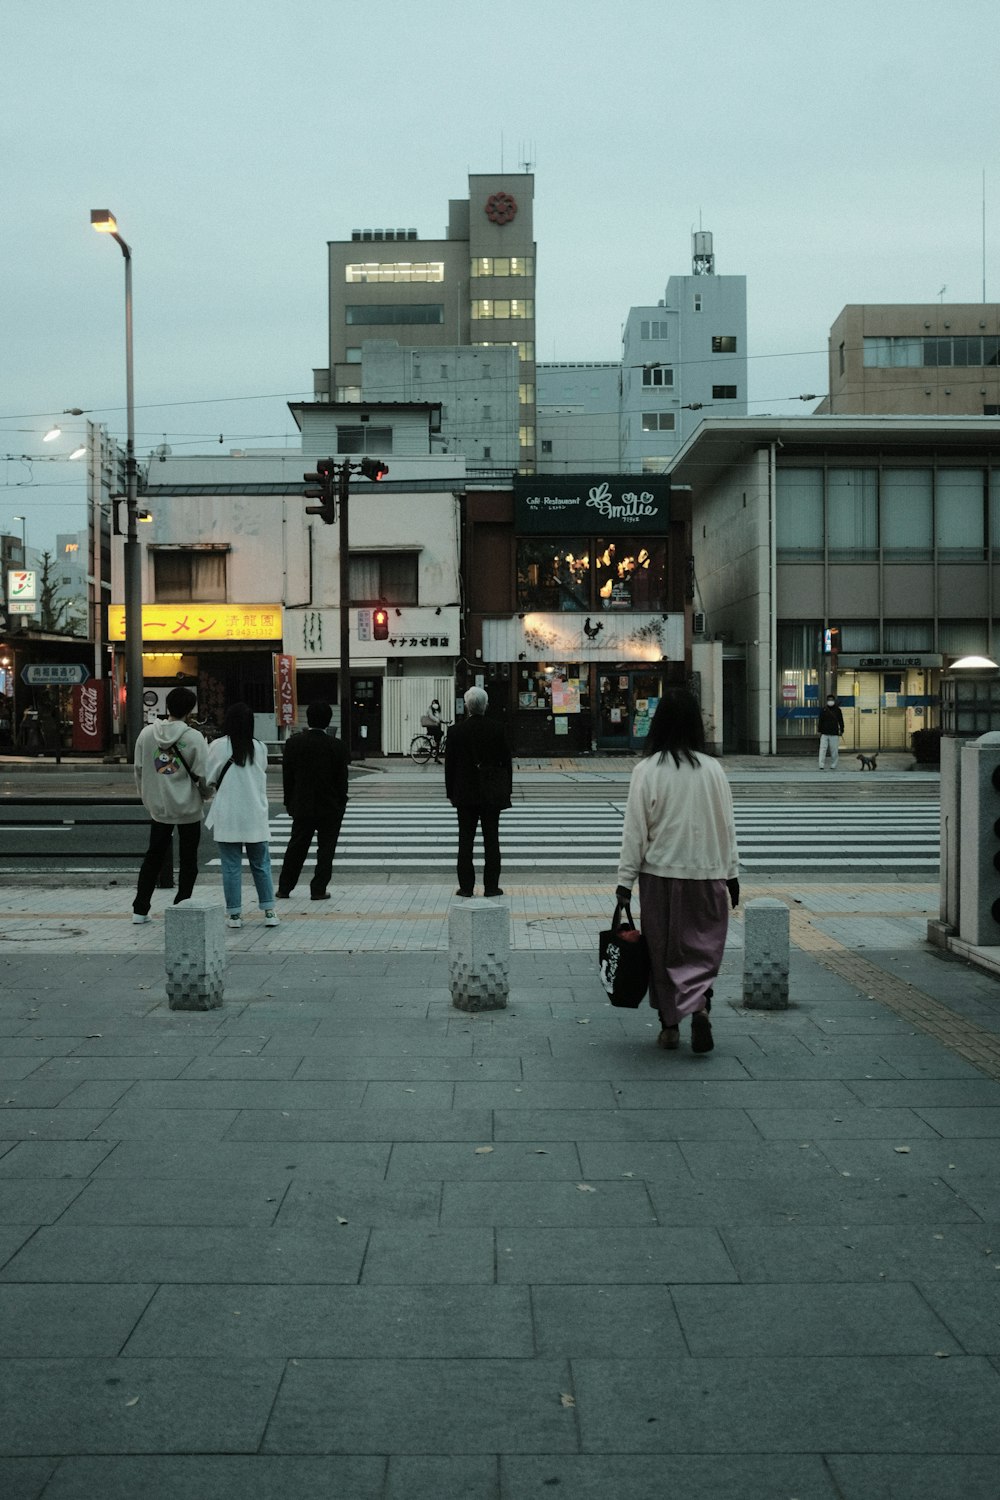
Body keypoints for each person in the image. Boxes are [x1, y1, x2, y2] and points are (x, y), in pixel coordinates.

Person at [615, 688, 740, 1055]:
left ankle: (670, 1027)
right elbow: (727, 826)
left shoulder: (647, 770)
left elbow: (634, 831)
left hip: (661, 876)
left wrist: (625, 881)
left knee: (664, 953)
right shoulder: (714, 770)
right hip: (708, 874)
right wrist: (731, 873)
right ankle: (700, 1006)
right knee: (702, 949)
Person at [131, 685, 209, 924]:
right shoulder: (194, 737)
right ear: (190, 710)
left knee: (153, 858)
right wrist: (205, 794)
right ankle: (182, 904)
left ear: (167, 707)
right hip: (188, 809)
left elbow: (139, 770)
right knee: (188, 860)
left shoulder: (146, 735)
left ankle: (140, 909)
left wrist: (148, 797)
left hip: (159, 808)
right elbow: (203, 776)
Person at [204, 702, 278, 930]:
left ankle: (234, 915)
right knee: (261, 864)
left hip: (228, 814)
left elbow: (210, 778)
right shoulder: (260, 747)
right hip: (255, 813)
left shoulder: (218, 746)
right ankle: (269, 912)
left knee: (231, 866)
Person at [276, 701, 350, 901]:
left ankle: (285, 887)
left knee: (297, 846)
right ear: (328, 721)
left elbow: (288, 777)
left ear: (308, 719)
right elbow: (342, 780)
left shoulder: (294, 743)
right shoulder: (337, 746)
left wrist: (289, 802)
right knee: (326, 850)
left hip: (302, 804)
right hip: (330, 806)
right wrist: (342, 802)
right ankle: (318, 889)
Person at [444, 685, 513, 898]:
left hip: (464, 794)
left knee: (465, 841)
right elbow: (506, 764)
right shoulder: (498, 728)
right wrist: (506, 791)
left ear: (467, 707)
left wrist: (451, 793)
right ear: (486, 706)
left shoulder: (456, 731)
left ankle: (466, 887)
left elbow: (450, 766)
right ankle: (491, 887)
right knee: (492, 840)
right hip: (491, 793)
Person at [817, 693, 845, 770]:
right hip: (824, 733)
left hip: (834, 733)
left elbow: (841, 721)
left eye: (832, 700)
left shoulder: (838, 710)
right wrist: (819, 731)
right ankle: (821, 764)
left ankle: (834, 764)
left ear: (834, 701)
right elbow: (820, 721)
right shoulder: (823, 709)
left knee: (834, 750)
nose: (830, 701)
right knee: (822, 749)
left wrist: (842, 729)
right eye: (829, 700)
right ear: (827, 701)